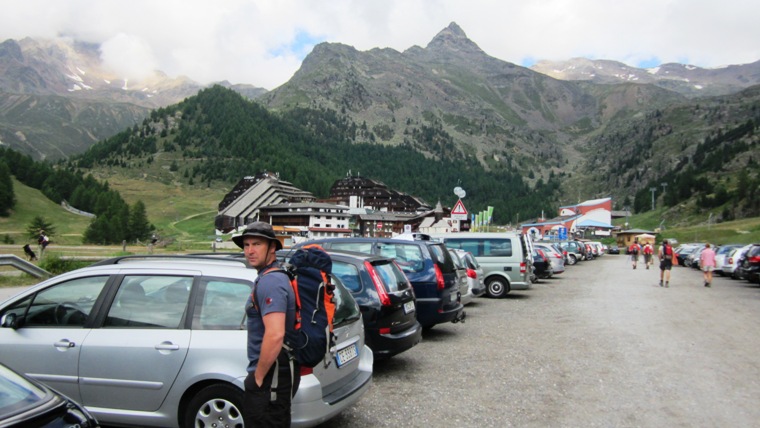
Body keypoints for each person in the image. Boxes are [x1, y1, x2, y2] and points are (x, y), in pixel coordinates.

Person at [233, 222, 299, 427]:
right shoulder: (270, 277)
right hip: (275, 374)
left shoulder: (271, 282)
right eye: (246, 245)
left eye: (257, 244)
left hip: (271, 377)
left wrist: (258, 377)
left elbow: (275, 334)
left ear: (272, 248)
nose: (250, 251)